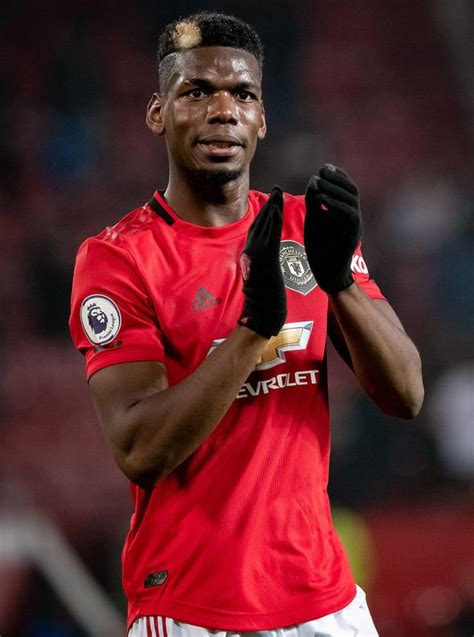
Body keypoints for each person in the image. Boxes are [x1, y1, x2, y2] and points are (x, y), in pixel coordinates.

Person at [69, 11, 424, 637]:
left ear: (262, 118)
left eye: (243, 94)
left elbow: (406, 395)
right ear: (158, 112)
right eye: (197, 91)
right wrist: (251, 331)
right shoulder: (118, 258)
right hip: (192, 608)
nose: (223, 109)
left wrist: (338, 279)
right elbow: (139, 449)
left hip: (328, 604)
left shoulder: (305, 229)